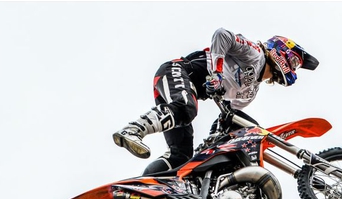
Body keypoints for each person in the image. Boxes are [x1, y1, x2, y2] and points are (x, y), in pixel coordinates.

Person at [112, 27, 319, 175]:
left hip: (186, 94)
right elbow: (222, 35)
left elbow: (229, 116)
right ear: (281, 51)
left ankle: (147, 188)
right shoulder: (255, 53)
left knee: (182, 156)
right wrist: (217, 73)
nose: (293, 68)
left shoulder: (250, 92)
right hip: (178, 71)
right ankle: (133, 130)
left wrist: (215, 144)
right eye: (294, 62)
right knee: (187, 108)